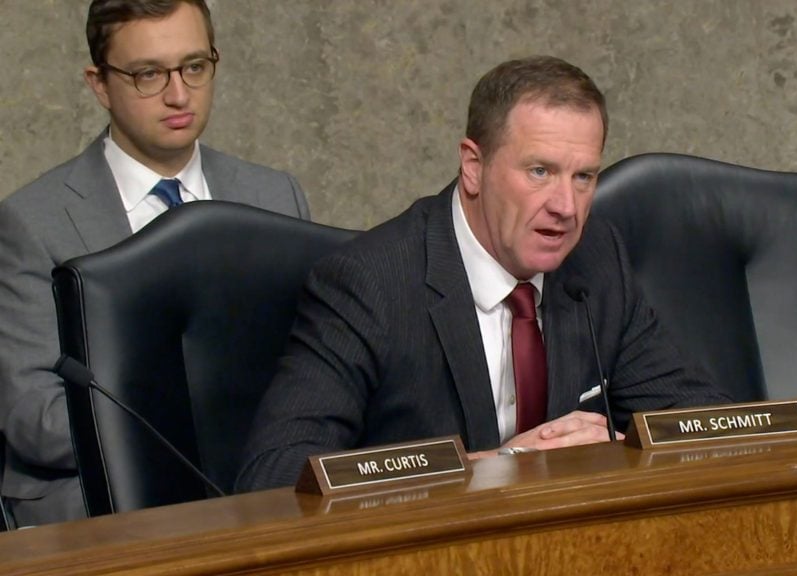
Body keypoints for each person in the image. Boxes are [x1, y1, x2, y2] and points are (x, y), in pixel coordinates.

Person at [236, 56, 728, 492]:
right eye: (539, 171)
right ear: (473, 166)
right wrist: (505, 463)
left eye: (583, 177)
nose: (566, 207)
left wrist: (624, 452)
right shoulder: (369, 282)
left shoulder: (597, 257)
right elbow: (278, 475)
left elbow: (699, 420)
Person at [0, 0, 310, 527]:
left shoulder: (275, 196)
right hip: (101, 509)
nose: (178, 94)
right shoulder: (32, 222)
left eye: (194, 66)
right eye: (148, 74)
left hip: (260, 497)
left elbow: (317, 370)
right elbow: (36, 420)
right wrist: (201, 429)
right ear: (99, 84)